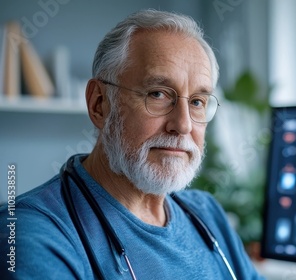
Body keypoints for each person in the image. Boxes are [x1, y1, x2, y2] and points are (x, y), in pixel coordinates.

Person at [0, 9, 264, 279]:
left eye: (197, 101)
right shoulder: (32, 233)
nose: (183, 125)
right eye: (158, 94)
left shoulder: (206, 214)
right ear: (100, 104)